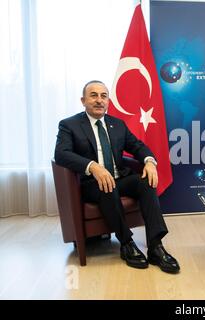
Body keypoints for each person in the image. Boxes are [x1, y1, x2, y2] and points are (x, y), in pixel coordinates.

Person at [54, 80, 180, 273]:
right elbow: (61, 153)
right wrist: (92, 166)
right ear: (83, 100)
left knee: (145, 182)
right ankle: (127, 243)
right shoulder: (69, 125)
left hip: (119, 177)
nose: (99, 100)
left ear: (108, 101)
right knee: (107, 185)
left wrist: (149, 161)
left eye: (103, 96)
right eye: (93, 95)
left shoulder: (117, 124)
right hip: (91, 183)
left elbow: (137, 146)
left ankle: (155, 246)